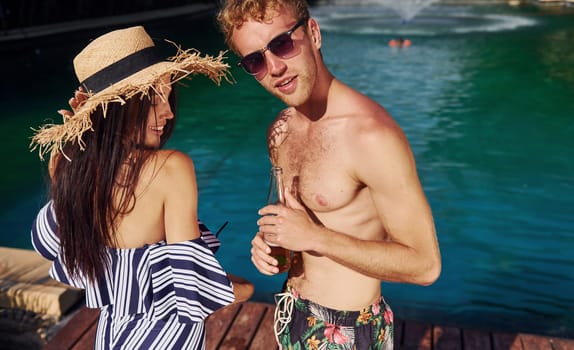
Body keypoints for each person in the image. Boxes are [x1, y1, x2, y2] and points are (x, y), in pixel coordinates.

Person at [216, 1, 441, 349]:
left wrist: (314, 238)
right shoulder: (280, 130)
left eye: (281, 44)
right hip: (292, 315)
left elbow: (425, 266)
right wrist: (278, 251)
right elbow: (301, 232)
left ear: (314, 33)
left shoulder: (371, 136)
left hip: (351, 331)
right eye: (255, 61)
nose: (275, 67)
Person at [29, 26, 236, 349]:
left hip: (113, 335)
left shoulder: (72, 172)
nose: (168, 112)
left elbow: (51, 247)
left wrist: (62, 180)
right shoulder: (172, 168)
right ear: (118, 106)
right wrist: (241, 288)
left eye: (168, 96)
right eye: (154, 99)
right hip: (168, 338)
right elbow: (191, 292)